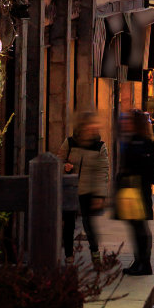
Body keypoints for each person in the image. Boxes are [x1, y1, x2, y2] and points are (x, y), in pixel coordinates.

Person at [58, 112, 109, 266]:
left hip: (89, 191)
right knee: (68, 224)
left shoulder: (100, 146)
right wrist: (64, 167)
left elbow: (103, 172)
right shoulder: (70, 143)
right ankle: (68, 256)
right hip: (71, 190)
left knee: (89, 224)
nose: (90, 128)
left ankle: (95, 254)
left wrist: (100, 196)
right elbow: (58, 161)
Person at [117, 110, 154, 275]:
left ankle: (143, 263)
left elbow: (143, 168)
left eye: (128, 120)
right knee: (137, 227)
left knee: (139, 227)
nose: (124, 123)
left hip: (138, 190)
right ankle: (140, 261)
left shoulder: (141, 142)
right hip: (135, 190)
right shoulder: (135, 140)